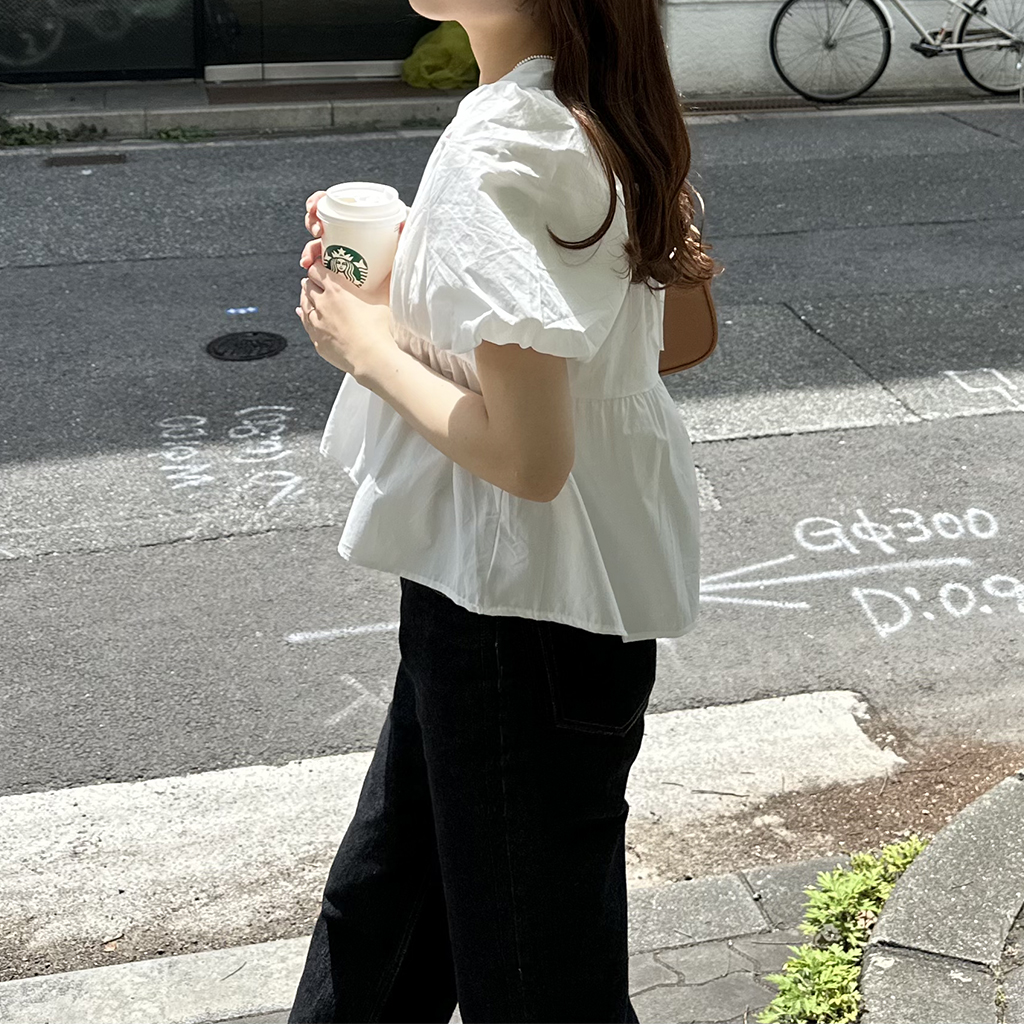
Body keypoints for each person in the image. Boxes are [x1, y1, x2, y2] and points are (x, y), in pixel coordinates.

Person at [288, 0, 721, 1020]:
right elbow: (671, 337)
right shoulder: (597, 104)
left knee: (531, 981)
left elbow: (529, 459)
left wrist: (367, 345)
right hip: (550, 593)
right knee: (386, 912)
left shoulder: (502, 143)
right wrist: (430, 269)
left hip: (512, 602)